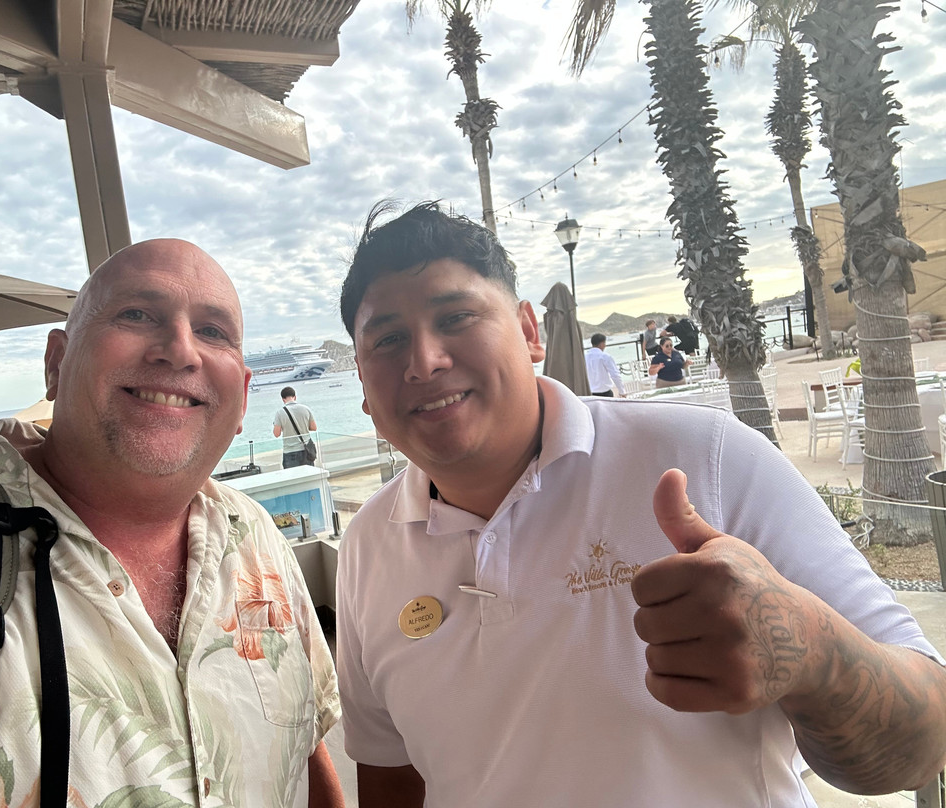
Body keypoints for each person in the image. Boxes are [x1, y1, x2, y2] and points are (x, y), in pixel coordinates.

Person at [334, 201, 946, 807]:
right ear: (362, 381)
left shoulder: (704, 456)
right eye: (387, 340)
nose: (424, 362)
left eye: (456, 317)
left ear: (529, 332)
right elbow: (391, 776)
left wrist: (812, 652)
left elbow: (926, 741)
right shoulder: (367, 547)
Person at [0, 240, 343, 807]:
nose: (180, 349)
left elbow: (306, 746)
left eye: (213, 331)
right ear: (56, 363)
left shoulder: (255, 533)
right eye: (136, 314)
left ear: (241, 399)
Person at [274, 386, 318, 468]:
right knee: (309, 474)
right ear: (295, 397)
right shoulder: (306, 409)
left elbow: (276, 434)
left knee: (292, 475)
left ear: (283, 399)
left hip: (290, 451)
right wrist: (303, 426)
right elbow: (314, 427)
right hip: (306, 449)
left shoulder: (279, 413)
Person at [584, 332, 626, 397]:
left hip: (590, 393)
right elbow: (615, 375)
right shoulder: (605, 357)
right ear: (602, 344)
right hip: (605, 393)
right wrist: (622, 391)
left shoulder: (585, 357)